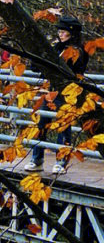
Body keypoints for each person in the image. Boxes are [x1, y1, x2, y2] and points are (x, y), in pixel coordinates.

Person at [27, 15, 90, 174]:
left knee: (64, 125)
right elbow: (37, 65)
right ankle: (37, 159)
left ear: (72, 33)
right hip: (52, 91)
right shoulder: (57, 48)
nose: (60, 35)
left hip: (68, 92)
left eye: (63, 32)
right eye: (60, 32)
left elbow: (71, 69)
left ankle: (61, 161)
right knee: (42, 123)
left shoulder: (78, 51)